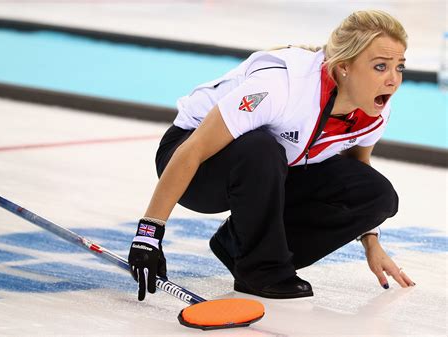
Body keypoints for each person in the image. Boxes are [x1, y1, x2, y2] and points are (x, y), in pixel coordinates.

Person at [128, 9, 416, 301]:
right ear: (344, 67)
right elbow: (194, 149)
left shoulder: (374, 111)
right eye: (381, 67)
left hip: (271, 167)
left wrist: (372, 242)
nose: (394, 80)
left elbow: (357, 168)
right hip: (194, 164)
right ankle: (262, 268)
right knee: (262, 148)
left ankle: (238, 247)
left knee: (377, 194)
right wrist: (149, 235)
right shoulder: (282, 86)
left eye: (400, 67)